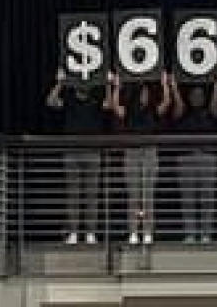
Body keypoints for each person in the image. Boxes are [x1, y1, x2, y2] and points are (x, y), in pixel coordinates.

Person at [46, 69, 107, 245]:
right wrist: (60, 83)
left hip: (93, 152)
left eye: (86, 82)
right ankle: (73, 231)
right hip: (72, 152)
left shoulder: (96, 99)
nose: (83, 85)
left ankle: (90, 232)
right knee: (73, 194)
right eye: (80, 82)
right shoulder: (70, 99)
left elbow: (109, 105)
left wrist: (110, 85)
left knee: (92, 195)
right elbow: (51, 102)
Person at [112, 72, 170, 245]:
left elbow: (166, 104)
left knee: (148, 196)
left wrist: (165, 85)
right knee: (133, 195)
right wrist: (117, 87)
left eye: (146, 93)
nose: (144, 96)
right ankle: (133, 232)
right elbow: (116, 108)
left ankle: (147, 232)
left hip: (150, 152)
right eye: (142, 93)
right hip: (132, 153)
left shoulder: (152, 110)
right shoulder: (129, 110)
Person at [168, 76, 217, 244]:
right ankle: (191, 234)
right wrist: (173, 87)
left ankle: (206, 234)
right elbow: (177, 109)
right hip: (186, 158)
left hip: (207, 157)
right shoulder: (183, 111)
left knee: (207, 199)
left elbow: (216, 109)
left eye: (200, 95)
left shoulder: (210, 111)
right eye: (194, 95)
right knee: (188, 199)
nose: (197, 98)